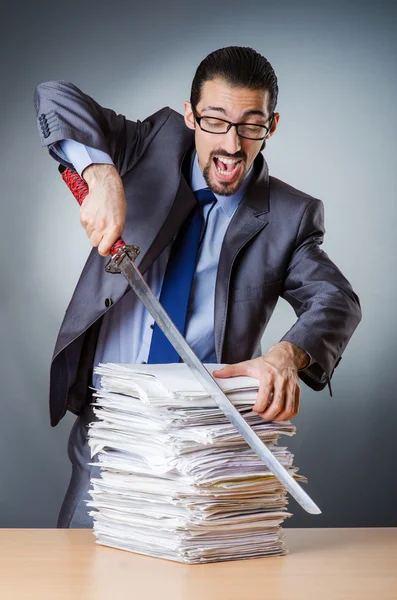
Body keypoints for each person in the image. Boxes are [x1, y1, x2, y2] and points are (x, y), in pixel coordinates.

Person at [33, 46, 361, 528]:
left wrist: (286, 356)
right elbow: (53, 97)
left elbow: (337, 299)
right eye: (215, 120)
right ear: (190, 115)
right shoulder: (149, 143)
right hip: (109, 432)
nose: (231, 144)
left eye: (251, 124)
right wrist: (100, 175)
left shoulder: (291, 216)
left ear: (271, 126)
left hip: (203, 449)